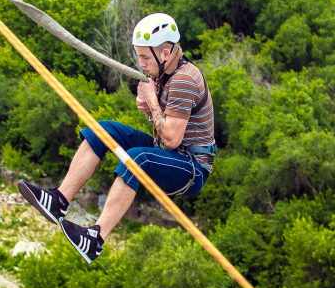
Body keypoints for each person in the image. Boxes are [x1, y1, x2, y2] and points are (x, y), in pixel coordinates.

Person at [17, 13, 216, 263]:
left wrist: (153, 104)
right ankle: (59, 200)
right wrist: (149, 108)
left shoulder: (185, 80)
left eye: (145, 56)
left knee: (137, 159)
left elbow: (172, 140)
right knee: (103, 130)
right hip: (169, 154)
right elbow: (165, 130)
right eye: (139, 56)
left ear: (165, 53)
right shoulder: (163, 73)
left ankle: (95, 239)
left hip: (191, 168)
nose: (141, 63)